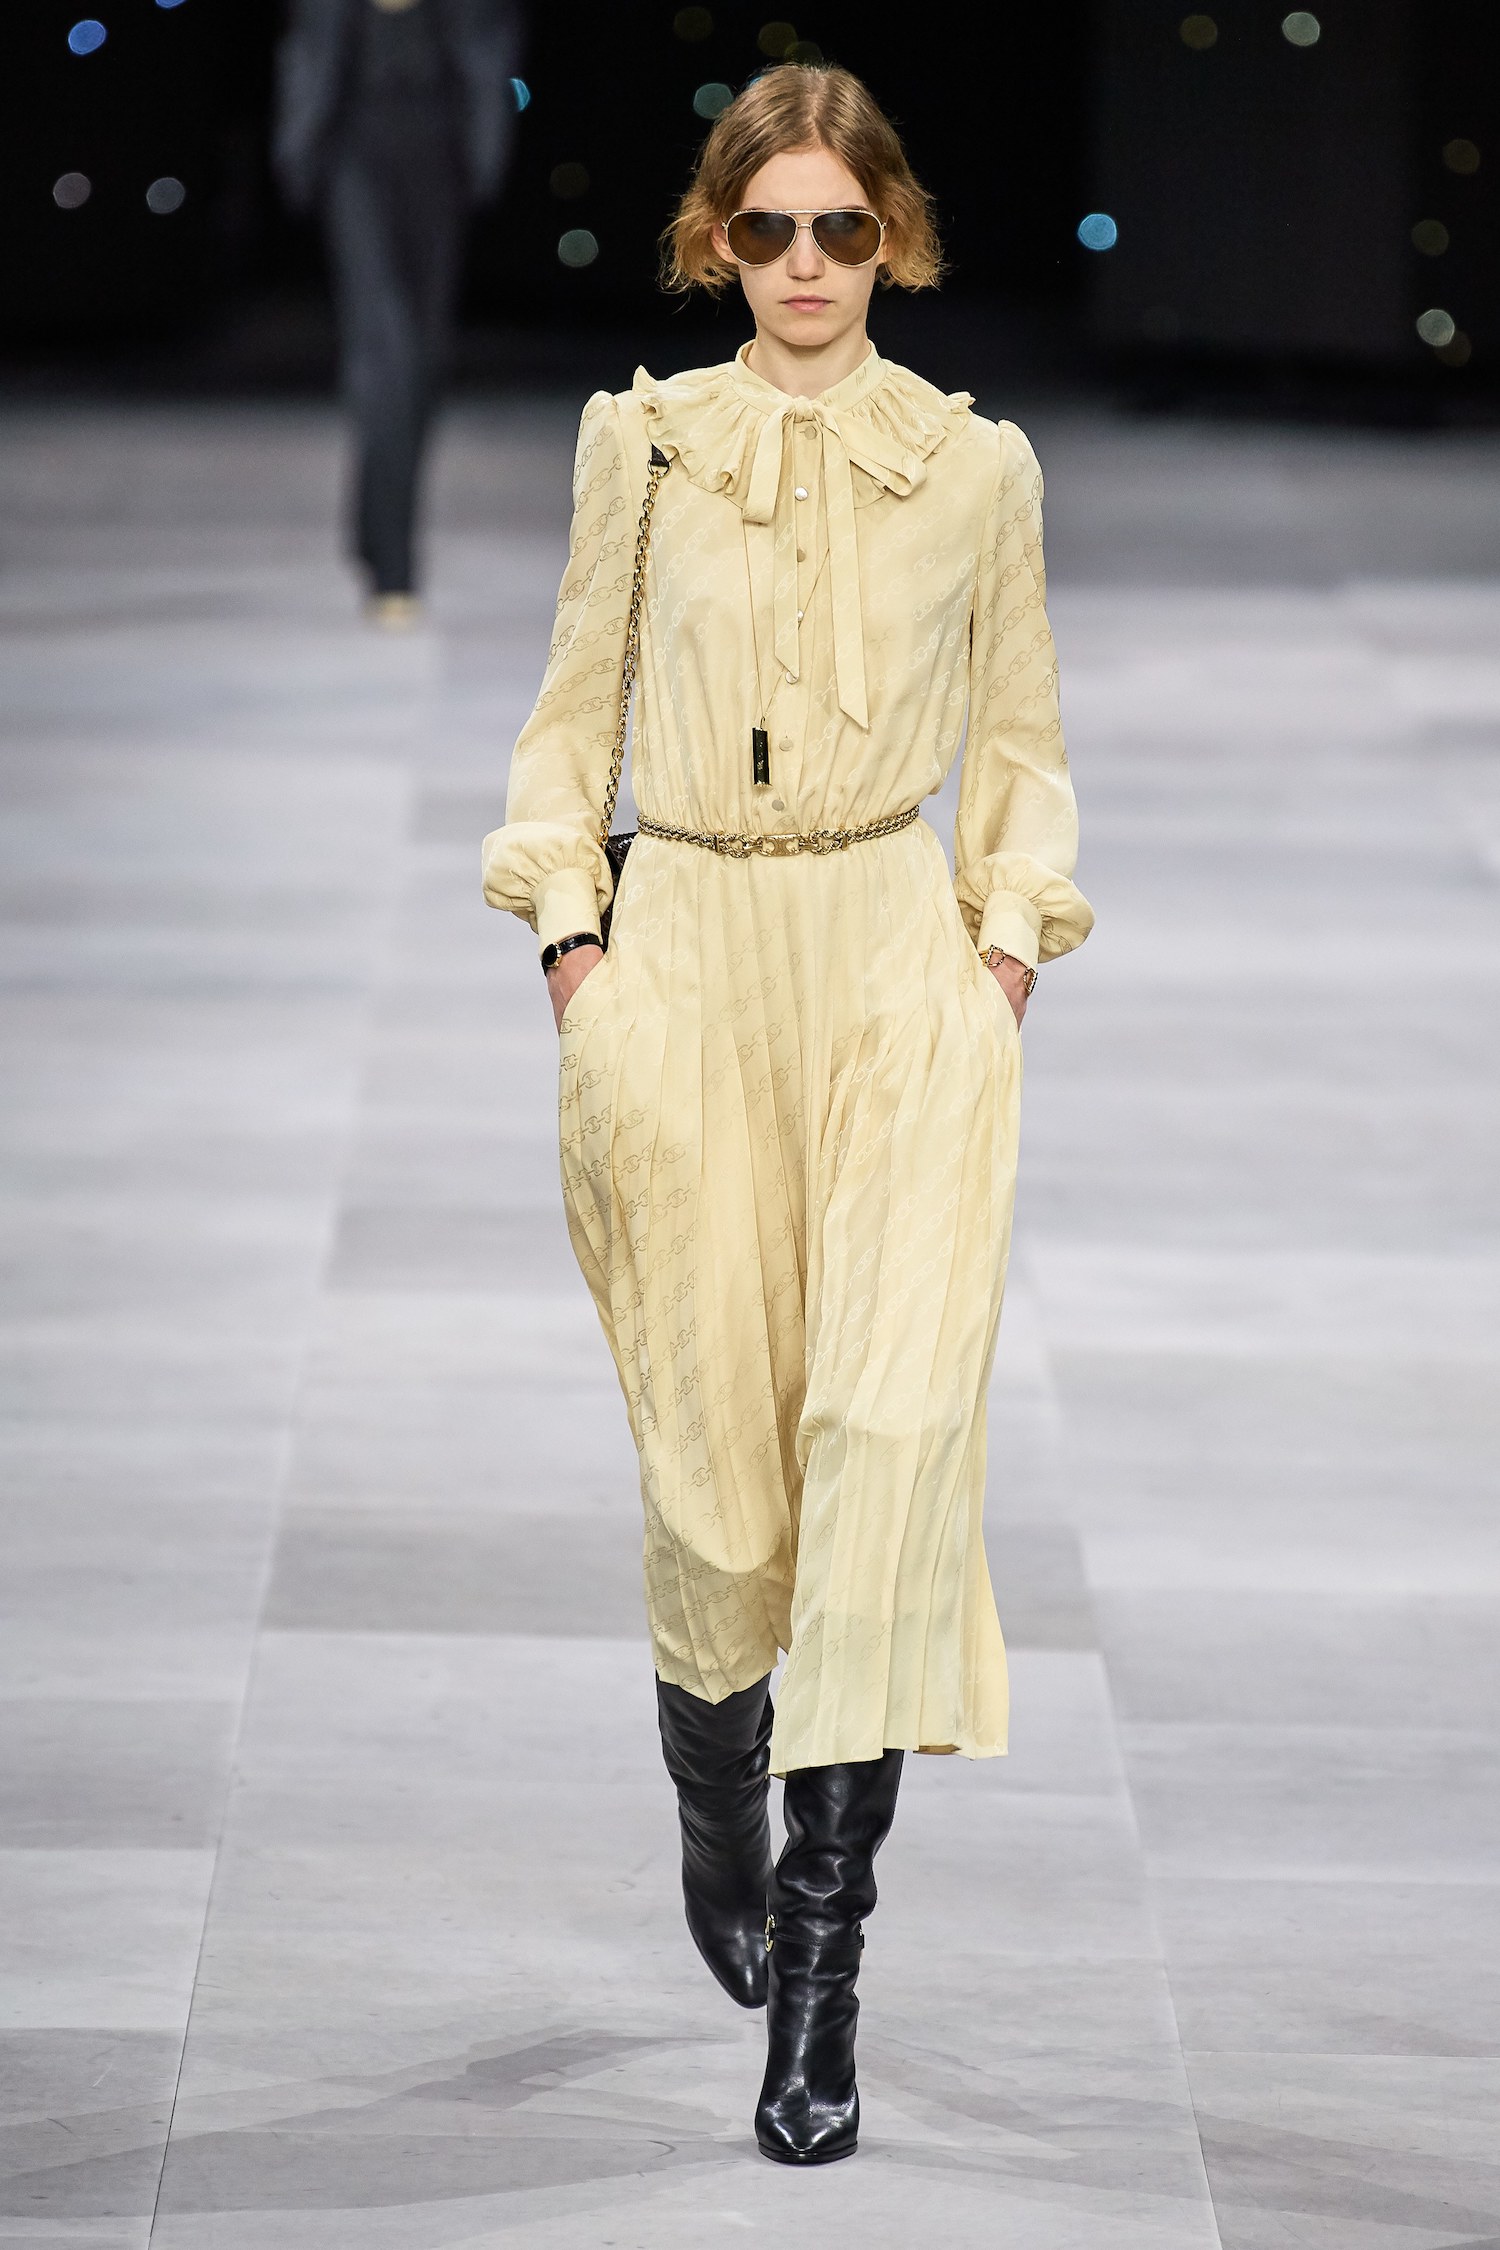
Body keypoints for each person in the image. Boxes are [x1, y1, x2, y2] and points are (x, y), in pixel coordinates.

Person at [482, 62, 1093, 2165]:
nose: (808, 263)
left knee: (890, 1463)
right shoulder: (643, 445)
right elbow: (568, 721)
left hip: (893, 970)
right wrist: (578, 955)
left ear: (893, 236)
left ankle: (822, 1987)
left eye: (842, 227)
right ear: (715, 240)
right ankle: (712, 1801)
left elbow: (1020, 746)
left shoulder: (975, 468)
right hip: (687, 966)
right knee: (722, 1508)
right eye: (768, 229)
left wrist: (1000, 966)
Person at [273, 0, 520, 624]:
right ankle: (394, 567)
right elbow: (308, 46)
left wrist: (486, 148)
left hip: (440, 155)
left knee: (424, 361)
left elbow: (489, 45)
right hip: (354, 152)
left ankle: (373, 524)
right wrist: (296, 143)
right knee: (385, 351)